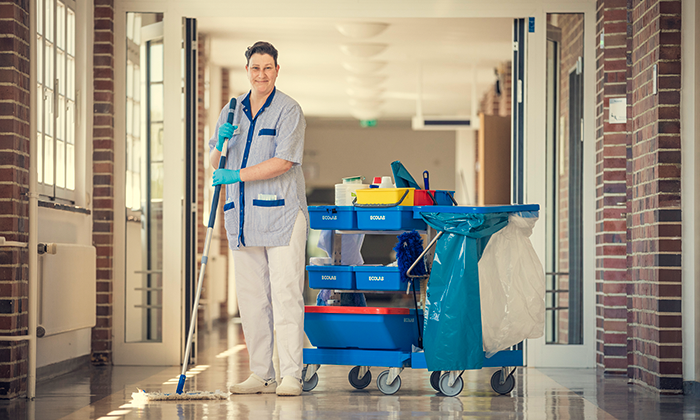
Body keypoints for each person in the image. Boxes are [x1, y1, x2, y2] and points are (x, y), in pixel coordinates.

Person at [208, 41, 308, 397]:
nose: (261, 74)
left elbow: (284, 162)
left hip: (282, 216)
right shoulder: (231, 111)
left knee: (285, 296)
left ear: (277, 70)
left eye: (268, 68)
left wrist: (236, 176)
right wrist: (220, 144)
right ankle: (261, 372)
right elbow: (215, 163)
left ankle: (291, 375)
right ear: (247, 70)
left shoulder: (289, 110)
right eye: (255, 68)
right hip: (243, 218)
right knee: (251, 300)